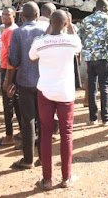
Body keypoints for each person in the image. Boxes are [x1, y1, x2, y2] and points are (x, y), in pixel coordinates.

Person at [30, 10, 82, 189]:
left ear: (50, 23)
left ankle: (46, 180)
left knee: (45, 133)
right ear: (66, 24)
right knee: (66, 133)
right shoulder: (72, 41)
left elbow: (31, 57)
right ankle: (66, 178)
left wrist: (47, 32)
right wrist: (70, 27)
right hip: (65, 93)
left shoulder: (40, 42)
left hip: (45, 91)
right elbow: (78, 46)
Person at [5, 2, 46, 170]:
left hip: (24, 81)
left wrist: (8, 81)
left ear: (22, 17)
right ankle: (43, 158)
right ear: (37, 16)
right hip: (43, 82)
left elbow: (13, 60)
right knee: (43, 119)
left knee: (27, 119)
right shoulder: (45, 31)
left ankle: (28, 159)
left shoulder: (18, 33)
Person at [78, 0, 108, 125]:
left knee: (92, 87)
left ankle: (93, 118)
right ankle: (105, 118)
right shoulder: (106, 18)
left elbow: (80, 37)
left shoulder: (86, 19)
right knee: (104, 86)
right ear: (104, 7)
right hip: (103, 56)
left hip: (90, 57)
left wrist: (87, 49)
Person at [0, 6, 21, 148]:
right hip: (7, 69)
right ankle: (21, 132)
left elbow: (11, 54)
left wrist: (7, 78)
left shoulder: (11, 31)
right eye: (3, 14)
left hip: (10, 71)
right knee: (14, 101)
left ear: (14, 16)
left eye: (8, 14)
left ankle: (9, 136)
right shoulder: (7, 30)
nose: (5, 17)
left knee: (8, 103)